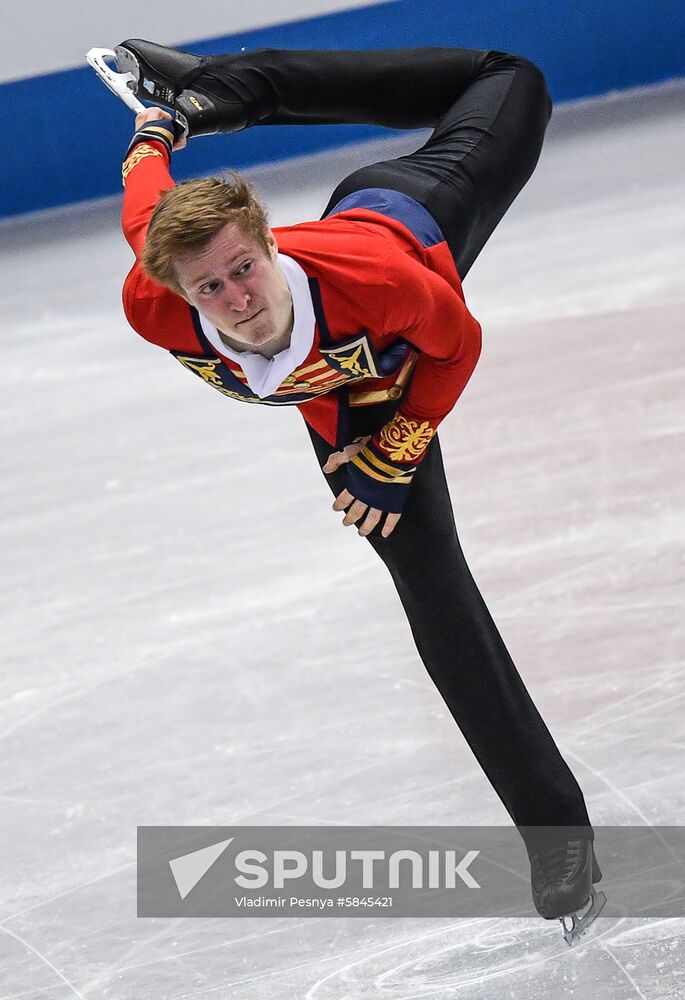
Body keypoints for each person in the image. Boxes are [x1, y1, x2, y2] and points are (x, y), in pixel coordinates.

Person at [116, 39, 605, 941]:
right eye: (208, 287)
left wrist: (404, 444)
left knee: (512, 81)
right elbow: (143, 199)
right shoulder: (156, 301)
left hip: (409, 223)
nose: (233, 298)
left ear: (269, 244)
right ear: (174, 289)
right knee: (437, 595)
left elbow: (456, 341)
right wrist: (152, 131)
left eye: (244, 268)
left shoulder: (374, 280)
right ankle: (559, 846)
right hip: (344, 403)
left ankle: (223, 89)